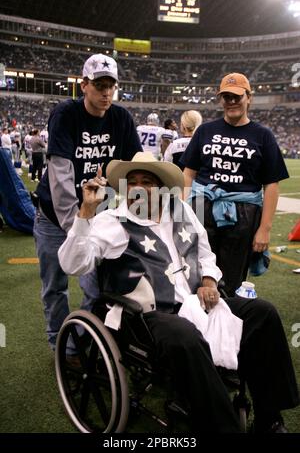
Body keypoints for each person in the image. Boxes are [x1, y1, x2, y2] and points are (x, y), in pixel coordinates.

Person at [58, 151, 299, 433]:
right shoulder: (112, 221)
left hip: (196, 301)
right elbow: (73, 264)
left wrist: (209, 281)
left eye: (146, 181)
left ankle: (269, 418)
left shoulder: (182, 211)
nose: (138, 187)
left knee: (263, 313)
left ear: (161, 187)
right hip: (148, 317)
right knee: (184, 334)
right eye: (131, 181)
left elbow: (205, 252)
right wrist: (86, 212)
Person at [33, 52, 142, 352]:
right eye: (99, 85)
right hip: (56, 218)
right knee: (55, 287)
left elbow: (136, 167)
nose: (106, 92)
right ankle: (61, 346)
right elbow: (60, 178)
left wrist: (145, 208)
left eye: (111, 85)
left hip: (99, 214)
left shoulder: (121, 118)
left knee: (95, 287)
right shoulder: (66, 113)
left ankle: (82, 342)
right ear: (84, 85)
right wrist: (77, 227)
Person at [181, 73, 289, 298]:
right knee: (195, 275)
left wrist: (264, 229)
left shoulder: (263, 136)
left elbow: (271, 185)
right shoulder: (205, 131)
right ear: (221, 99)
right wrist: (180, 212)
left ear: (249, 98)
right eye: (226, 96)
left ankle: (226, 326)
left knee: (231, 280)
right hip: (201, 209)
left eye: (237, 96)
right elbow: (188, 174)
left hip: (243, 216)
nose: (231, 101)